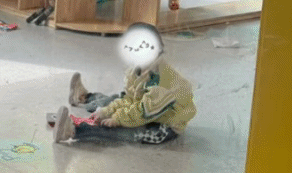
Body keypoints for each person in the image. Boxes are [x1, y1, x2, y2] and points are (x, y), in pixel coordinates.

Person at [52, 24, 196, 145]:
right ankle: (85, 97)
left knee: (124, 131)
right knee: (115, 100)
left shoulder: (161, 81)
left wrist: (117, 119)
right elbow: (129, 99)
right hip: (147, 109)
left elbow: (142, 113)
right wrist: (106, 111)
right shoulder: (139, 68)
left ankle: (72, 131)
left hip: (165, 126)